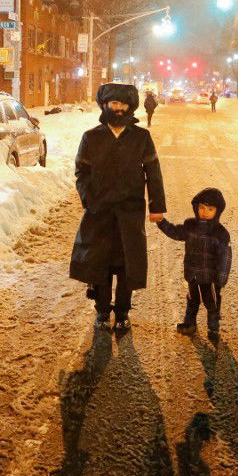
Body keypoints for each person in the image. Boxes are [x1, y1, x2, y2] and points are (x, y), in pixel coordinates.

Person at [71, 83, 167, 332]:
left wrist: (157, 206)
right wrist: (88, 200)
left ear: (130, 106)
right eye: (113, 103)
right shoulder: (91, 137)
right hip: (99, 212)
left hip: (130, 211)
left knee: (127, 264)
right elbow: (82, 172)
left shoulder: (141, 137)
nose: (118, 108)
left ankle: (123, 312)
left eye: (123, 104)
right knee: (99, 262)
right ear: (105, 105)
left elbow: (153, 173)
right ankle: (102, 311)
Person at [156, 187, 232, 337]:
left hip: (209, 278)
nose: (204, 211)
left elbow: (225, 257)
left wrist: (221, 279)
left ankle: (213, 326)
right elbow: (175, 232)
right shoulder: (190, 226)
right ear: (196, 207)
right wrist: (161, 222)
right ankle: (190, 324)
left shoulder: (220, 233)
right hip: (192, 274)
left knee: (212, 303)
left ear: (218, 211)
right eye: (201, 207)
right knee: (192, 301)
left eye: (210, 209)